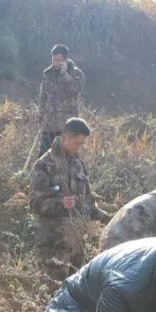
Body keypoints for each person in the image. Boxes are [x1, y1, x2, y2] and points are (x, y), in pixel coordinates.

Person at [29, 118, 110, 284]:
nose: (79, 147)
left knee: (76, 289)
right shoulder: (44, 165)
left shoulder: (78, 164)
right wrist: (60, 204)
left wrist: (106, 217)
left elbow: (87, 201)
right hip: (54, 243)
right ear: (66, 137)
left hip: (76, 244)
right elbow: (35, 203)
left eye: (82, 144)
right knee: (53, 291)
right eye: (77, 143)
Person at [38, 44, 84, 156]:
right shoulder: (47, 74)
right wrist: (40, 116)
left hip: (66, 126)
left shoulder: (76, 74)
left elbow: (74, 91)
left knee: (65, 158)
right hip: (48, 124)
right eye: (54, 59)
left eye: (59, 60)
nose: (56, 62)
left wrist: (65, 75)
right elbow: (43, 97)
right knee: (43, 157)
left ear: (65, 60)